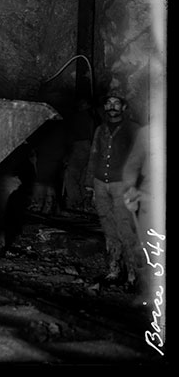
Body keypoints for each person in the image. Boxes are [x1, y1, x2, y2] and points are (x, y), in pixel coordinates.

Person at [88, 93, 139, 286]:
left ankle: (133, 275)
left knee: (126, 229)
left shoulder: (133, 129)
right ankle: (114, 271)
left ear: (124, 107)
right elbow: (93, 156)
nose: (112, 106)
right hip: (101, 183)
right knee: (108, 228)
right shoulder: (100, 130)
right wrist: (90, 185)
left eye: (116, 103)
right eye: (108, 103)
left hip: (122, 185)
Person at [122, 124, 157, 305]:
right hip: (149, 200)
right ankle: (151, 294)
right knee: (149, 248)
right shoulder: (148, 132)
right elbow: (133, 163)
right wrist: (129, 189)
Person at [63, 97, 97, 211]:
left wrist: (67, 151)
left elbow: (70, 135)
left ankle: (75, 202)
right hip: (90, 146)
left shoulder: (78, 117)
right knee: (83, 176)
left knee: (71, 175)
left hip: (79, 145)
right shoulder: (92, 117)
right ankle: (84, 204)